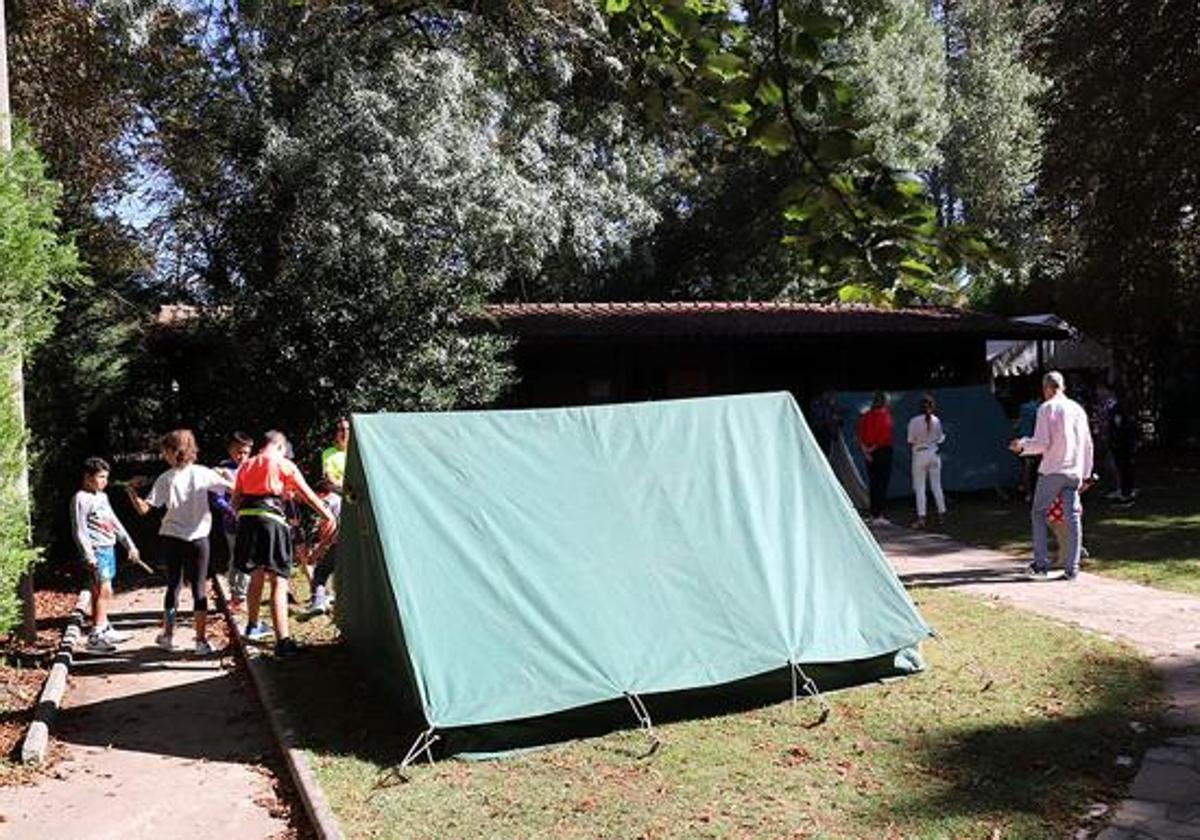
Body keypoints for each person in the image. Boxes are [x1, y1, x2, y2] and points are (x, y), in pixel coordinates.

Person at [126, 430, 232, 655]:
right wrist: (226, 476)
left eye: (164, 451)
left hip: (172, 537)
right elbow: (233, 488)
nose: (163, 455)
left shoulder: (166, 478)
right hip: (199, 538)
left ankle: (168, 636)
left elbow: (144, 509)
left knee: (173, 586)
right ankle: (201, 642)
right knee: (199, 588)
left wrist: (131, 490)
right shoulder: (203, 473)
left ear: (174, 452)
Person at [233, 430, 336, 656]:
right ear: (280, 447)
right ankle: (283, 642)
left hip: (247, 521)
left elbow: (235, 501)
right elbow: (307, 494)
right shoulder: (283, 463)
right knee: (279, 581)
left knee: (256, 575)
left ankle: (252, 625)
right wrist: (328, 515)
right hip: (271, 520)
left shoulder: (246, 465)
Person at [1010, 371, 1095, 581]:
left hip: (1053, 469)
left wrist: (1021, 446)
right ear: (1062, 386)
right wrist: (1086, 474)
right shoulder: (1077, 409)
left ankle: (1040, 563)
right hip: (1074, 470)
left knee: (1038, 512)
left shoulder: (1046, 408)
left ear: (1046, 388)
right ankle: (1072, 567)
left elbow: (1042, 443)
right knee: (1073, 518)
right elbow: (1087, 444)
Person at [70, 457, 140, 652]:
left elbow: (115, 523)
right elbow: (80, 530)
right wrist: (88, 555)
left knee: (99, 591)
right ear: (87, 477)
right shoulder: (80, 498)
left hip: (108, 548)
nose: (104, 481)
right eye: (100, 477)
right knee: (104, 591)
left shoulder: (102, 497)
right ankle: (96, 636)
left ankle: (104, 628)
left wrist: (129, 545)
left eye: (106, 477)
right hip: (96, 551)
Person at [213, 431, 253, 611]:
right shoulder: (222, 470)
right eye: (238, 452)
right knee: (234, 557)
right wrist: (230, 510)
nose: (242, 456)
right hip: (231, 522)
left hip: (251, 521)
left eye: (246, 452)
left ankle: (241, 597)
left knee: (247, 557)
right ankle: (234, 594)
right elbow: (216, 498)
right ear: (230, 450)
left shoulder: (254, 468)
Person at [907, 394, 947, 529]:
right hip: (934, 454)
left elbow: (911, 440)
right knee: (937, 486)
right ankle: (942, 515)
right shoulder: (937, 420)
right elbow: (940, 438)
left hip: (920, 454)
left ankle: (922, 518)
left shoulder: (914, 421)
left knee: (920, 488)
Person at [856, 392, 894, 524]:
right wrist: (872, 450)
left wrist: (866, 452)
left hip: (869, 453)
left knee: (873, 483)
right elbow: (884, 436)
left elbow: (860, 435)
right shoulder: (885, 415)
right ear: (884, 402)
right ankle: (878, 515)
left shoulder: (865, 416)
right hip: (882, 452)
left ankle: (873, 514)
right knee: (881, 484)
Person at [307, 478, 342, 615]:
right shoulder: (340, 499)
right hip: (351, 542)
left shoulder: (327, 502)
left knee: (320, 571)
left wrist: (318, 550)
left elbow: (330, 526)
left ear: (320, 493)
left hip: (338, 541)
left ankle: (318, 602)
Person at [1016, 387, 1042, 501]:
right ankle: (1034, 492)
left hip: (1022, 439)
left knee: (1026, 467)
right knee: (1036, 468)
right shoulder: (1039, 409)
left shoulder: (1023, 407)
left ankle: (1027, 492)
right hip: (1033, 441)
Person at [321, 417, 350, 492]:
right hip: (340, 493)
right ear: (336, 433)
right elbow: (331, 479)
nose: (345, 432)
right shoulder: (328, 453)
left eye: (347, 429)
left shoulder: (356, 450)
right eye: (341, 429)